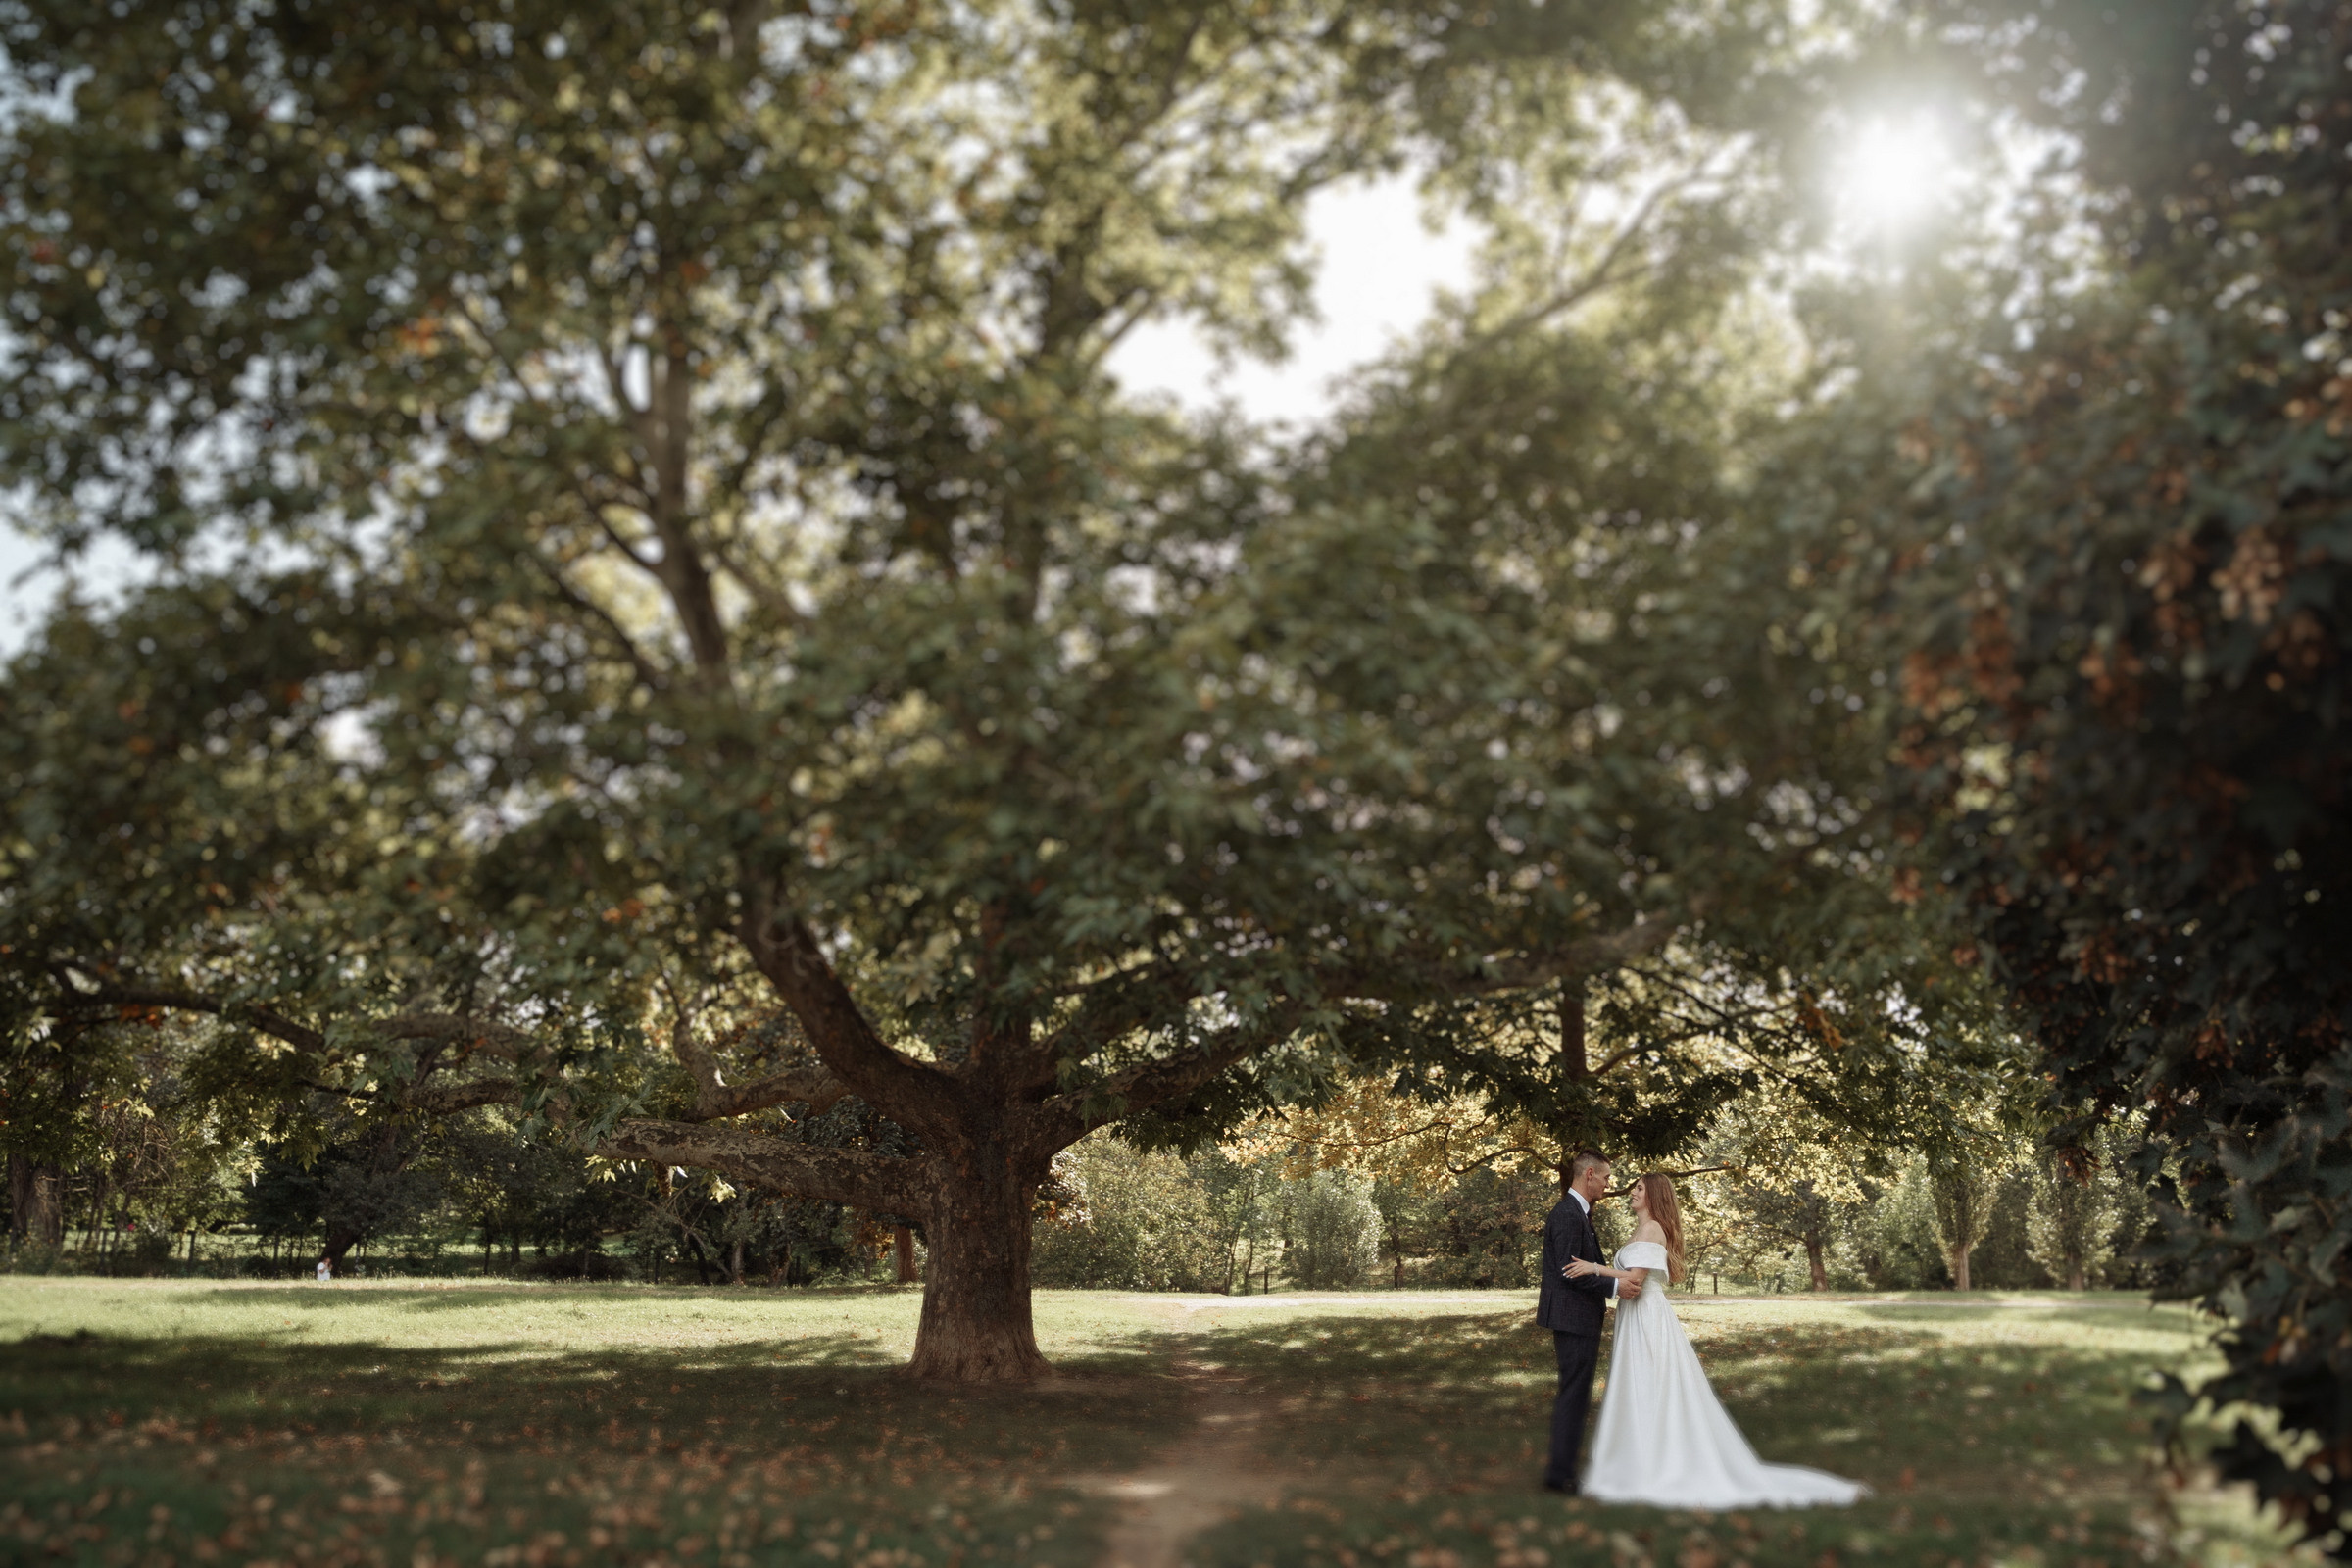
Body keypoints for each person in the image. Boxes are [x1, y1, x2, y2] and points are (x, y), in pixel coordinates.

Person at [1566, 1173, 1866, 1508]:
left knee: (1650, 1379)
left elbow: (1636, 1278)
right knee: (1639, 1381)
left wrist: (1593, 1268)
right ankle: (1638, 1455)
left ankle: (1655, 1462)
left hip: (1647, 1315)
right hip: (1633, 1313)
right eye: (1634, 1187)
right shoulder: (1641, 1228)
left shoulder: (1653, 1230)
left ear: (1654, 1194)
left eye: (1639, 1188)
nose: (1631, 1192)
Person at [1537, 1150, 1638, 1494]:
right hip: (1572, 1317)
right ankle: (1560, 1476)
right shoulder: (1568, 1214)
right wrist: (1614, 1285)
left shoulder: (1578, 1212)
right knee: (1574, 1396)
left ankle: (1563, 1471)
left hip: (1577, 1317)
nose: (1610, 1184)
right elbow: (1570, 1271)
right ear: (1590, 1174)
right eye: (1607, 1177)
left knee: (1575, 1394)